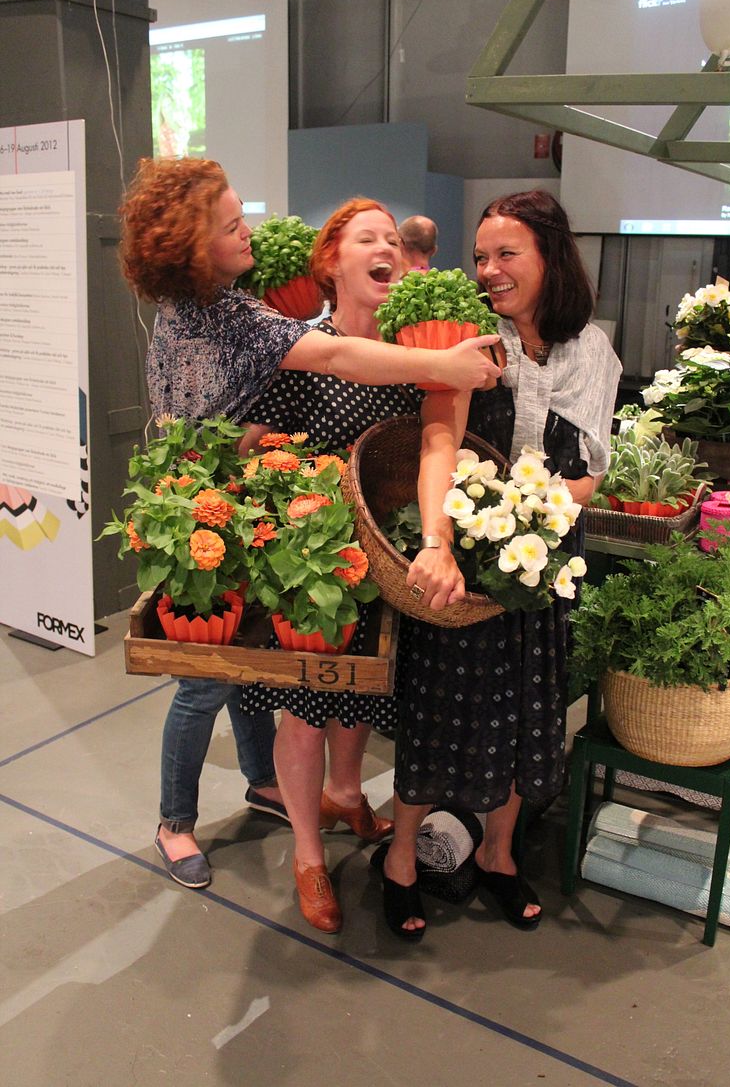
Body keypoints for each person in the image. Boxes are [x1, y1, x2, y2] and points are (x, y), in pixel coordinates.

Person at [118, 158, 500, 891]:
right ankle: (174, 821)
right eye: (232, 225)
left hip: (215, 497)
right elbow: (335, 353)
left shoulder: (194, 307)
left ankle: (264, 781)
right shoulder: (234, 317)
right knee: (205, 680)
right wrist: (447, 364)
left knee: (247, 671)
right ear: (196, 249)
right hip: (205, 504)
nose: (250, 231)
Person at [373, 189, 622, 939]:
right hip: (465, 558)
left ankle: (500, 854)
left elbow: (593, 466)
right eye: (481, 256)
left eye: (506, 253)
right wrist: (438, 541)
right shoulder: (466, 342)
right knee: (439, 708)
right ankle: (402, 860)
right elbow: (438, 444)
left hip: (541, 560)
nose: (489, 270)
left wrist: (549, 506)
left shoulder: (592, 352)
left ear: (551, 257)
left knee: (525, 710)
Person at [238, 198, 443, 933]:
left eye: (393, 237)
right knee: (306, 709)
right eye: (368, 238)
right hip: (313, 563)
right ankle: (305, 855)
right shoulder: (301, 347)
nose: (386, 246)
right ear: (332, 262)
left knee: (365, 691)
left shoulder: (415, 352)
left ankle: (348, 795)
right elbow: (250, 444)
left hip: (384, 560)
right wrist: (291, 488)